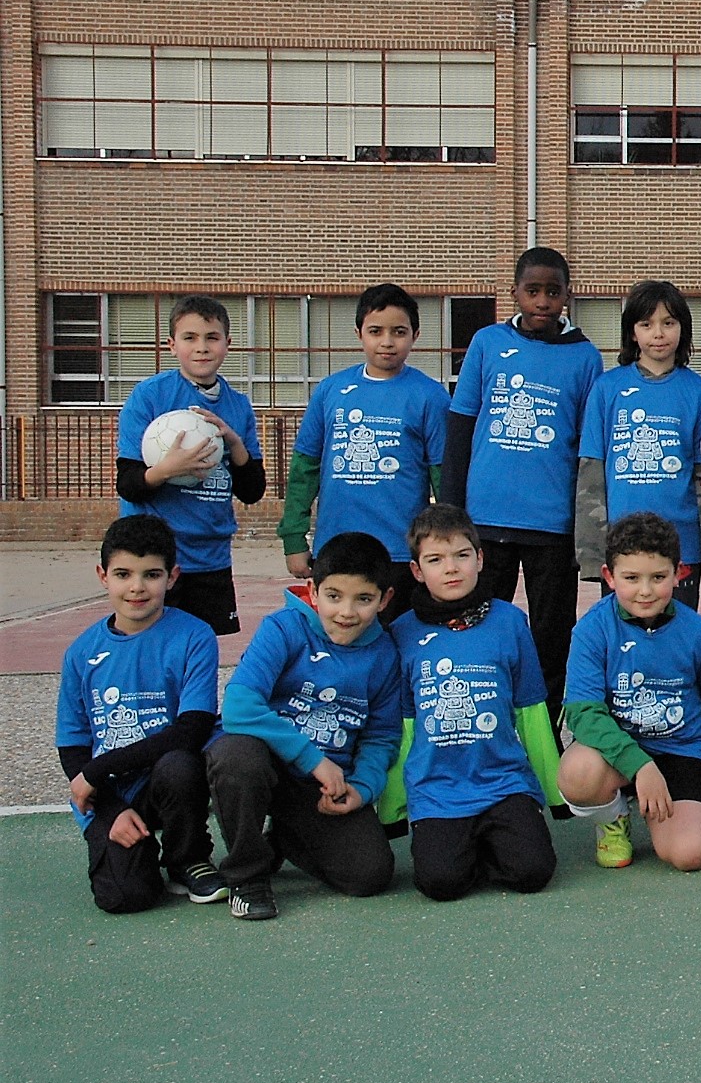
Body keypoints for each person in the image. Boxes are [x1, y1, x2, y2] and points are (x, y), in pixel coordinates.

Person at [440, 247, 604, 721]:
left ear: (567, 297)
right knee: (480, 630)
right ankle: (482, 726)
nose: (542, 301)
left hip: (551, 528)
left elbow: (586, 448)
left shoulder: (584, 357)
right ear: (514, 292)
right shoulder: (487, 344)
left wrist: (582, 526)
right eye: (533, 291)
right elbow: (460, 430)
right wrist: (453, 514)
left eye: (553, 292)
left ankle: (545, 737)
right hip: (484, 523)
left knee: (551, 639)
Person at [206, 531, 404, 920]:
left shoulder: (384, 656)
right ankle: (247, 877)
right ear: (313, 591)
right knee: (236, 756)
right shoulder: (283, 628)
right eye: (334, 596)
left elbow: (381, 737)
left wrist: (362, 789)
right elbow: (240, 706)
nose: (346, 612)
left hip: (318, 784)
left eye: (363, 599)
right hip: (266, 763)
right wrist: (314, 760)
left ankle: (284, 835)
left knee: (370, 874)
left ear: (384, 599)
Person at [391, 504, 560, 902]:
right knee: (440, 883)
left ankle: (496, 839)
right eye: (435, 559)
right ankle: (462, 845)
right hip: (438, 790)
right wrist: (394, 809)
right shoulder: (401, 632)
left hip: (503, 783)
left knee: (533, 873)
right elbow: (403, 725)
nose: (451, 568)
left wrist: (554, 794)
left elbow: (532, 711)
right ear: (417, 570)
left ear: (480, 559)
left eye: (462, 555)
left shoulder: (510, 621)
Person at [56, 515, 223, 913]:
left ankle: (188, 858)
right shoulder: (81, 653)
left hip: (165, 780)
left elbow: (191, 730)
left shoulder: (194, 636)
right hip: (111, 794)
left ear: (172, 576)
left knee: (181, 764)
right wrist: (111, 807)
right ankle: (139, 849)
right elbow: (73, 745)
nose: (137, 587)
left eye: (151, 574)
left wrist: (96, 771)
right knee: (127, 897)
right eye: (123, 574)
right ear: (102, 575)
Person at [558, 514, 701, 872]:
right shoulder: (592, 629)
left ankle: (694, 815)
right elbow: (583, 712)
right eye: (631, 578)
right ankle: (613, 817)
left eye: (658, 577)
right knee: (577, 772)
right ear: (609, 577)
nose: (645, 590)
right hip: (618, 757)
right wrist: (640, 767)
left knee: (692, 855)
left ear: (679, 573)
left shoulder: (700, 631)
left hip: (681, 750)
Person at [281, 283, 447, 622]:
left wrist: (441, 546)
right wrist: (294, 539)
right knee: (340, 638)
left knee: (397, 643)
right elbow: (304, 470)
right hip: (336, 547)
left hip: (399, 553)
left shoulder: (431, 396)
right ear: (359, 333)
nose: (387, 341)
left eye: (398, 332)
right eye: (376, 331)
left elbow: (443, 479)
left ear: (415, 335)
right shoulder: (330, 391)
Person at [114, 294, 267, 635]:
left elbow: (253, 490)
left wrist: (233, 442)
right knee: (151, 649)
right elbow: (128, 483)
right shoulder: (150, 396)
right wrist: (169, 469)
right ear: (171, 345)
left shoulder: (237, 406)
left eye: (211, 338)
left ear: (227, 344)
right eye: (190, 338)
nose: (202, 348)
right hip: (156, 557)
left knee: (201, 654)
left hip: (211, 555)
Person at [576, 279, 701, 612]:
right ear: (632, 332)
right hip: (621, 547)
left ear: (682, 329)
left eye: (668, 323)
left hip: (681, 545)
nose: (658, 333)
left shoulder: (699, 391)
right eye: (647, 324)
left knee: (676, 638)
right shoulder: (606, 388)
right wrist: (591, 554)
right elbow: (591, 477)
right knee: (623, 641)